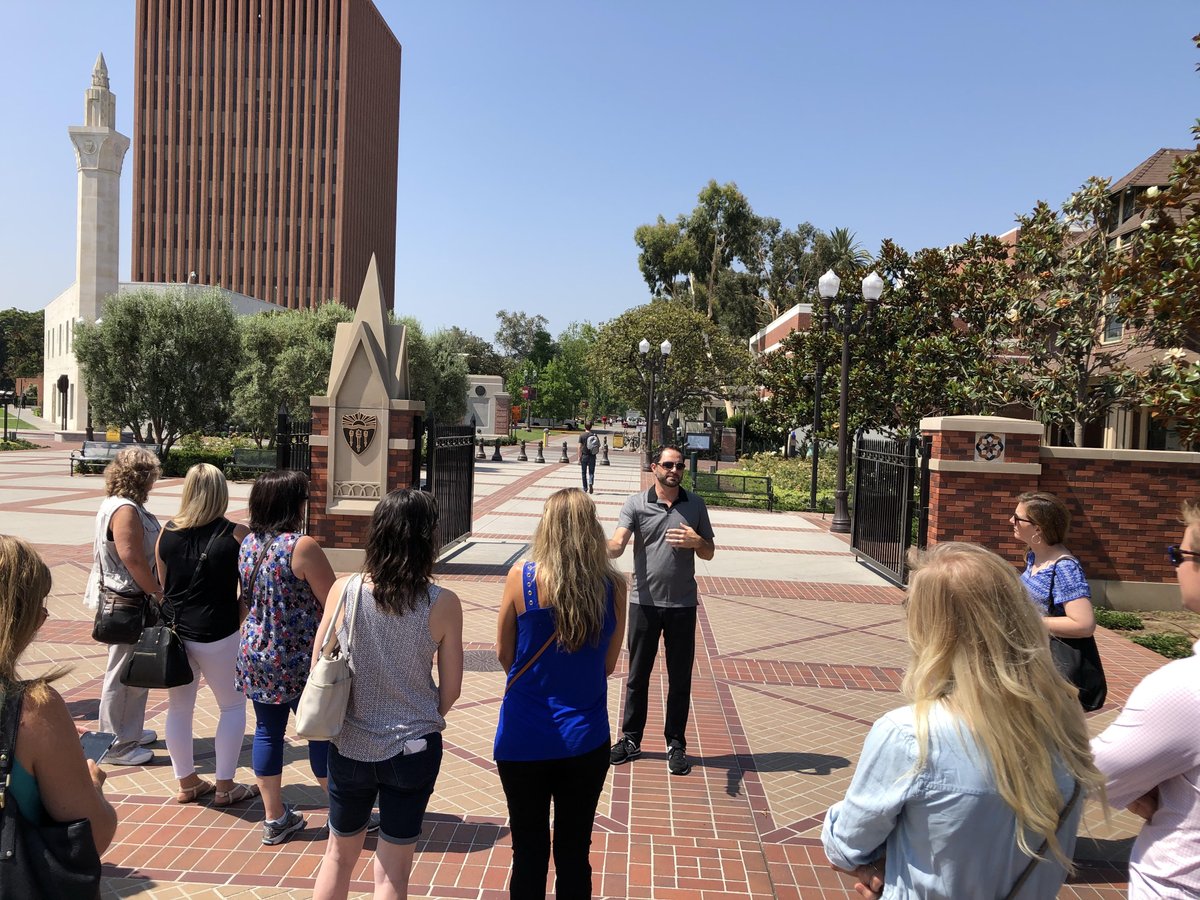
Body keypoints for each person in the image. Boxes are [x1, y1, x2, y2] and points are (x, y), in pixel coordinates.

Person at [822, 542, 1105, 900]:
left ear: (934, 630)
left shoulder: (911, 734)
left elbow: (847, 846)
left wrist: (881, 867)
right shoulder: (1065, 728)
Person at [312, 489, 463, 900]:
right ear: (427, 538)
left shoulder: (344, 590)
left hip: (349, 742)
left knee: (338, 856)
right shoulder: (442, 602)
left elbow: (318, 667)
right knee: (392, 872)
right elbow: (451, 690)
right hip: (412, 746)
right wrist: (420, 710)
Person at [495, 488, 628, 898]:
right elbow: (607, 666)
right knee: (574, 851)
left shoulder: (523, 577)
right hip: (585, 738)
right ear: (593, 528)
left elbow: (504, 653)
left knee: (528, 849)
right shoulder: (613, 586)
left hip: (523, 736)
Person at [1090, 500, 1200, 898]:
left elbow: (1089, 773)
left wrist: (1133, 784)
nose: (1174, 564)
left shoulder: (1184, 690)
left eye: (1179, 553)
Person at [2, 535, 118, 864]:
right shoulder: (34, 708)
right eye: (39, 607)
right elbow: (93, 835)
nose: (44, 617)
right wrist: (92, 783)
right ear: (20, 618)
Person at [238, 470, 336, 845]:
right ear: (291, 504)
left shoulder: (248, 543)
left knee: (267, 731)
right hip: (299, 656)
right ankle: (341, 810)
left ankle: (274, 816)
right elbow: (333, 603)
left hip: (257, 652)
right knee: (321, 731)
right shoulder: (302, 546)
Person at [608, 444, 714, 777]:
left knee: (679, 678)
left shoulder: (695, 505)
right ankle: (630, 739)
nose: (674, 471)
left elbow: (709, 552)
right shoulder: (636, 504)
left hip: (683, 605)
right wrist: (586, 542)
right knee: (638, 677)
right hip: (644, 603)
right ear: (655, 467)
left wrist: (698, 543)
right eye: (669, 465)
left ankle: (676, 744)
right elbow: (617, 544)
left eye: (680, 466)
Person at [155, 463, 258, 806]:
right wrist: (238, 615)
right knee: (231, 706)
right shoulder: (236, 534)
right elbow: (250, 590)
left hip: (176, 633)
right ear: (221, 492)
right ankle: (226, 786)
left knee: (179, 708)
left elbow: (163, 584)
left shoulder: (166, 531)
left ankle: (187, 781)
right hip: (218, 631)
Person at [91, 446, 164, 766]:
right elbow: (131, 557)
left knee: (133, 670)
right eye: (150, 476)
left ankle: (128, 729)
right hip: (128, 600)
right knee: (122, 672)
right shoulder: (125, 510)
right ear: (140, 477)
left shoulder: (120, 505)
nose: (153, 482)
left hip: (130, 599)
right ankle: (116, 743)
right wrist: (157, 592)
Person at [1012, 491, 1096, 639]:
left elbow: (1084, 625)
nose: (1011, 520)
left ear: (1038, 528)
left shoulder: (1064, 567)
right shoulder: (1034, 556)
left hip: (1055, 659)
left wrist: (1026, 621)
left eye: (1018, 518)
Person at [576, 420, 599, 494]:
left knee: (583, 473)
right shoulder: (594, 435)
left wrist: (579, 458)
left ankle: (585, 488)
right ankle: (591, 482)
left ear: (584, 426)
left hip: (584, 456)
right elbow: (598, 445)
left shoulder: (582, 435)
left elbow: (579, 447)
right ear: (591, 427)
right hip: (592, 456)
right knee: (591, 472)